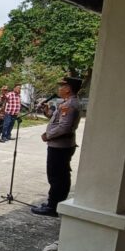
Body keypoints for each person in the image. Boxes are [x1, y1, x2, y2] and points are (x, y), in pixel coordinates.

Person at [31, 77, 83, 217]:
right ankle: (54, 203)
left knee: (56, 176)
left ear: (68, 88)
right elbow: (57, 120)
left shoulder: (69, 104)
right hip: (62, 145)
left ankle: (53, 206)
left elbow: (64, 127)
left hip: (60, 146)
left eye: (62, 86)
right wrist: (47, 111)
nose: (59, 89)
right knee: (60, 175)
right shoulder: (67, 103)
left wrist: (48, 135)